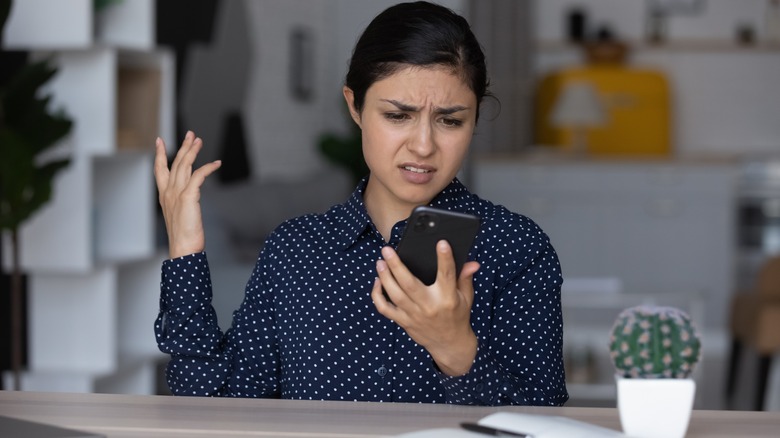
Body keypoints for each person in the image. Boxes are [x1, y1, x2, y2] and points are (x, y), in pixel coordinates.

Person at [154, 1, 568, 406]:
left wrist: (457, 350)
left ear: (474, 119)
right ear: (355, 107)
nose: (423, 146)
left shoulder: (516, 249)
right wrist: (184, 251)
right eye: (397, 115)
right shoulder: (295, 251)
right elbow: (213, 403)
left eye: (450, 120)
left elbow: (544, 424)